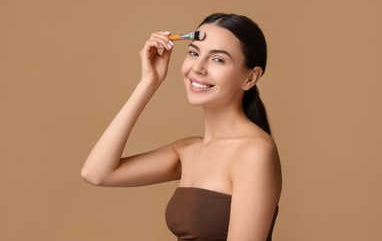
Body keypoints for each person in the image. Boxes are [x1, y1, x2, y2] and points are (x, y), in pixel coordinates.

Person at [81, 13, 282, 241]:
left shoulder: (254, 152)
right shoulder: (187, 151)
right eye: (194, 53)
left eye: (218, 59)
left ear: (250, 78)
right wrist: (148, 83)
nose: (198, 67)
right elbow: (96, 172)